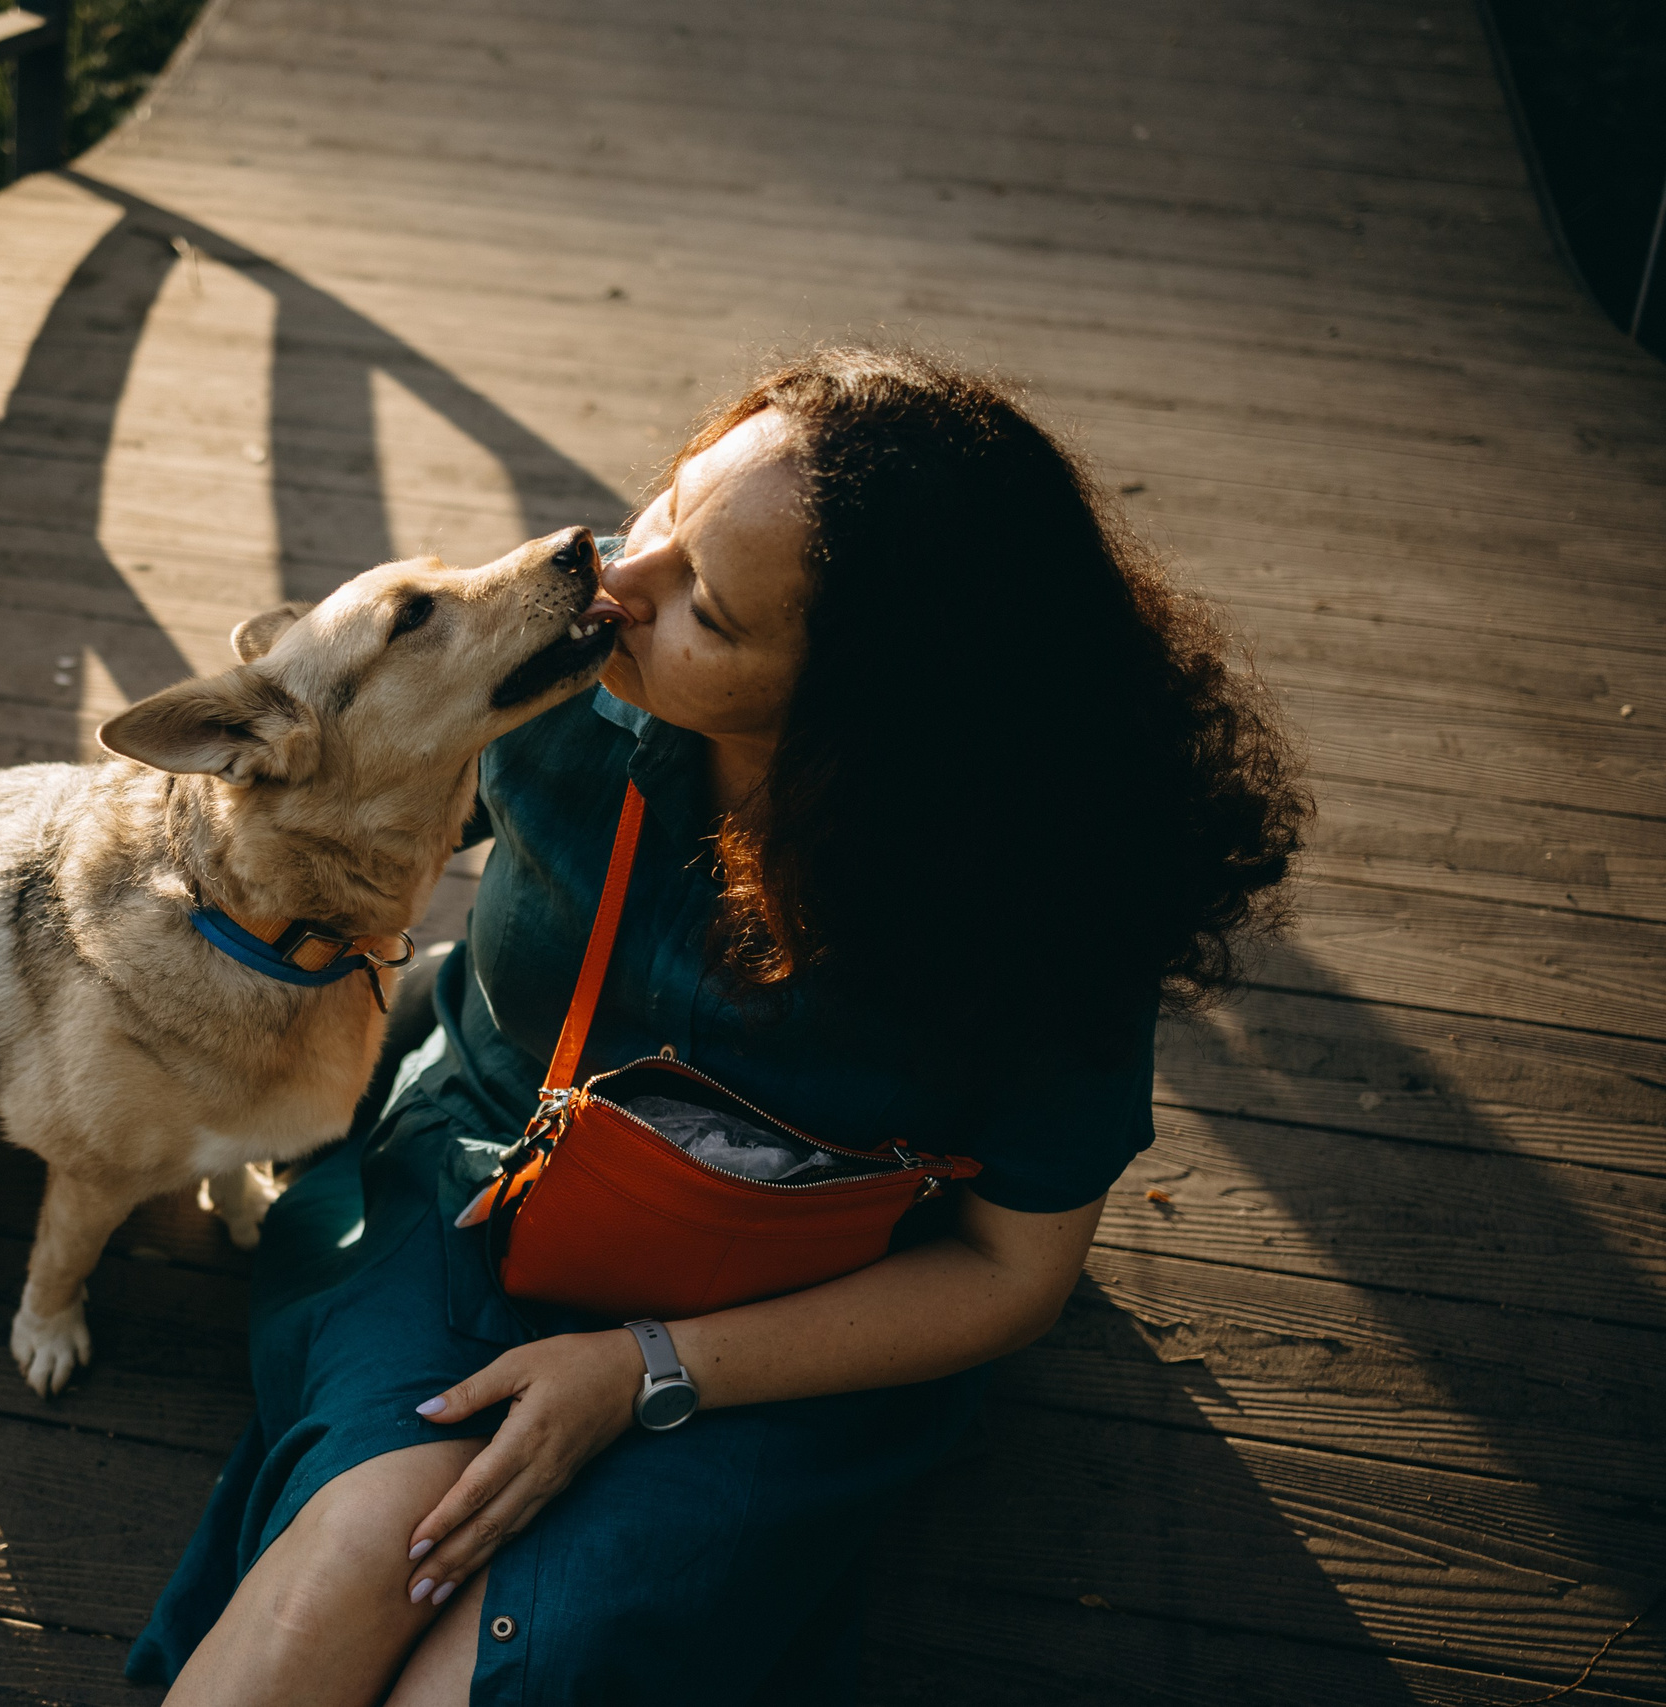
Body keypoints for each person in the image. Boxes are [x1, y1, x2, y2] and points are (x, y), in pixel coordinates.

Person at [125, 346, 1308, 1705]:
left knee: (515, 1667)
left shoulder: (1041, 905)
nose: (622, 580)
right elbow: (304, 818)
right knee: (355, 1553)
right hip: (476, 1185)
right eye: (670, 508)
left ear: (870, 711)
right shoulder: (565, 667)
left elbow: (1008, 1273)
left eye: (713, 610)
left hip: (793, 1317)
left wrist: (645, 1372)